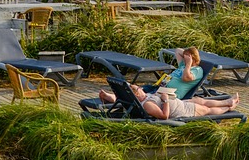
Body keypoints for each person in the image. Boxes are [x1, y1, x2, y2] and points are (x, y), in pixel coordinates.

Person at [98, 46, 239, 120]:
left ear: (193, 60)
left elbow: (186, 79)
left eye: (187, 58)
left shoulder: (196, 71)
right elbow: (178, 51)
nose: (184, 60)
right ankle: (228, 103)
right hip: (160, 89)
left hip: (170, 95)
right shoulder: (183, 66)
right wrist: (186, 56)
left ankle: (228, 104)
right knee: (137, 90)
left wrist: (189, 63)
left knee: (202, 103)